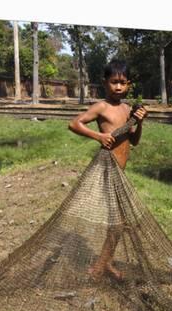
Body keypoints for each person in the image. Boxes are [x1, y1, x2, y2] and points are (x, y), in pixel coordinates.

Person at [68, 59, 148, 280]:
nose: (118, 87)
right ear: (105, 83)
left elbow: (134, 141)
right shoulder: (101, 107)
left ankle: (105, 263)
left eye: (123, 83)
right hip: (107, 170)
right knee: (119, 223)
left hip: (120, 172)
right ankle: (98, 268)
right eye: (114, 82)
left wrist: (139, 122)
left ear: (129, 84)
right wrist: (99, 136)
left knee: (118, 224)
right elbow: (75, 124)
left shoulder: (128, 109)